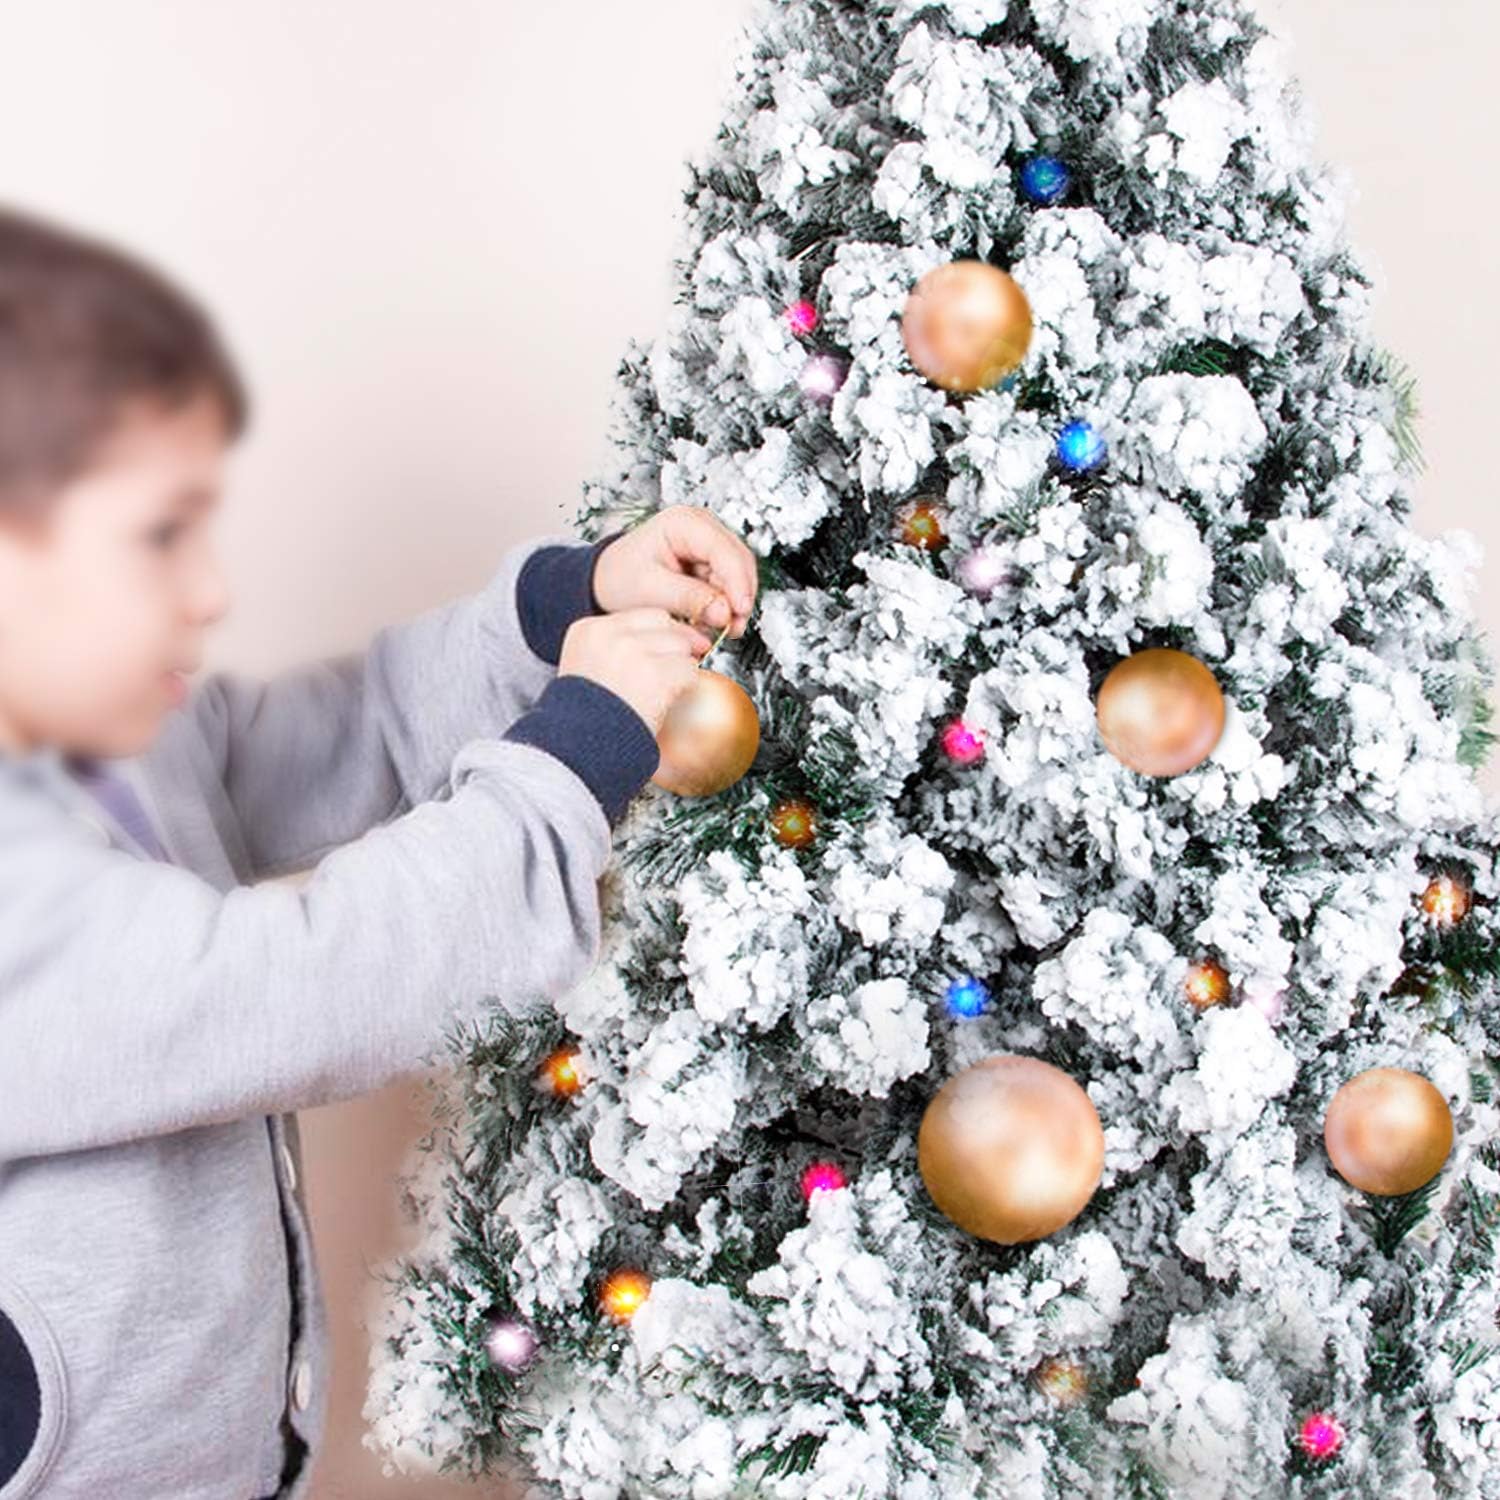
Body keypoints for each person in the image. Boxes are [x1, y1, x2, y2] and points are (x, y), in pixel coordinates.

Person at [0, 202, 758, 1499]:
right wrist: (576, 754)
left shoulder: (106, 741)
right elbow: (303, 982)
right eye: (159, 534)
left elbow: (337, 734)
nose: (213, 588)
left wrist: (560, 606)